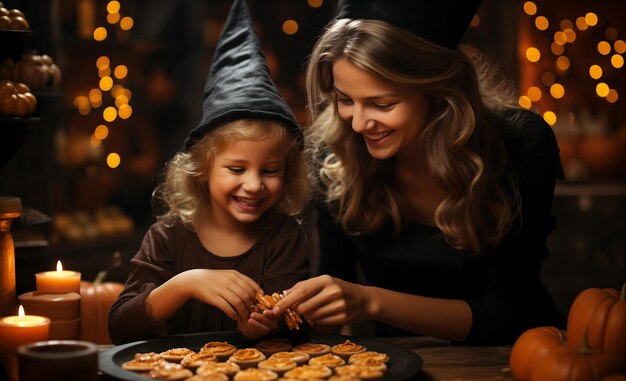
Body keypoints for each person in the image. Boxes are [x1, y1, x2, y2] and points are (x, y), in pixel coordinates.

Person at [271, 0, 566, 345]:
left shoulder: (521, 143)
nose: (359, 123)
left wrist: (370, 301)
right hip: (402, 360)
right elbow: (333, 303)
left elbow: (505, 316)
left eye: (382, 104)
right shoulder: (335, 152)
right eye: (344, 99)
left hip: (515, 357)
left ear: (438, 90)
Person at [108, 0, 310, 344]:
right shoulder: (168, 236)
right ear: (202, 169)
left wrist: (266, 326)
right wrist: (186, 284)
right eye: (236, 168)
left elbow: (298, 326)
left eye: (271, 170)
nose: (254, 184)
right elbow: (119, 328)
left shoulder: (284, 237)